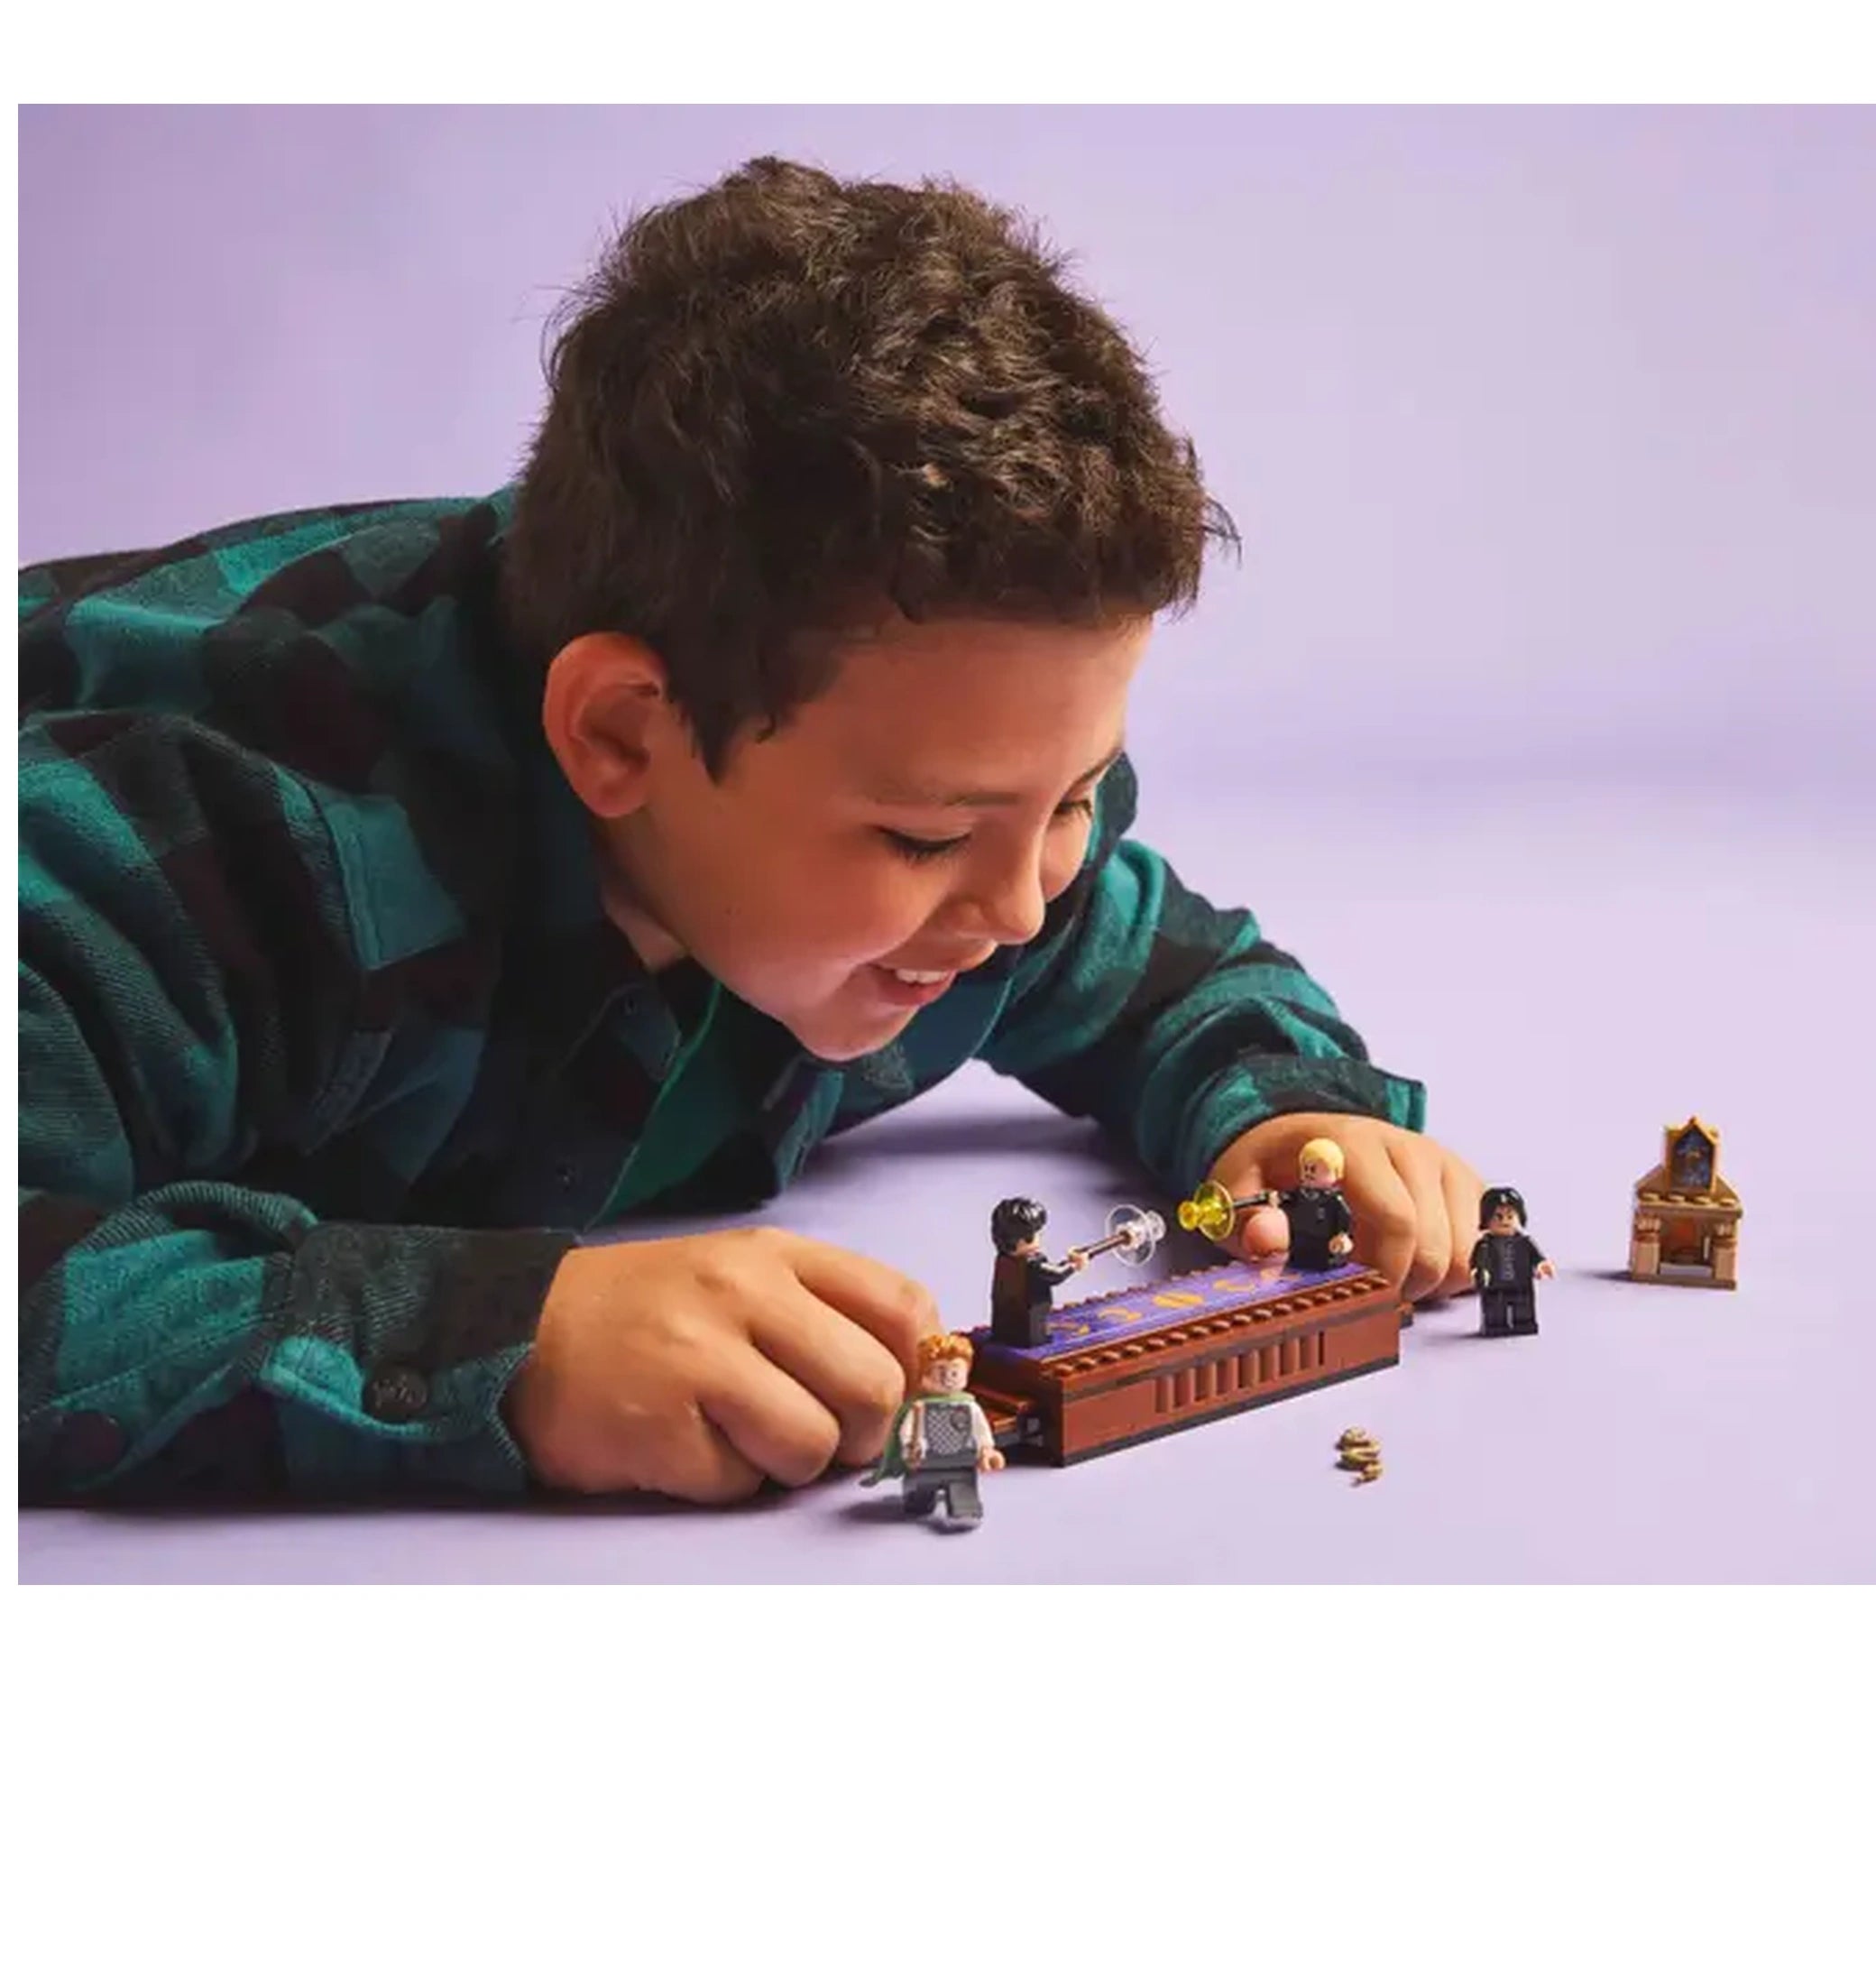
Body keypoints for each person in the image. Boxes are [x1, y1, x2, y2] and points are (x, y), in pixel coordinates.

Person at [20, 152, 1490, 1509]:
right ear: (621, 738)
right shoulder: (202, 855)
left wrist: (1295, 1121)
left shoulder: (962, 866)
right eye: (926, 837)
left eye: (1079, 795)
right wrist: (503, 1342)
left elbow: (1166, 972)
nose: (1027, 908)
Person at [860, 1334, 1002, 1528]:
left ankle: (964, 1509)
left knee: (963, 1489)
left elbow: (981, 1431)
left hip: (959, 1460)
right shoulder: (918, 1407)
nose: (947, 1379)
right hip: (925, 1461)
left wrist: (987, 1449)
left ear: (966, 1374)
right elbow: (906, 1432)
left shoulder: (969, 1406)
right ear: (924, 1375)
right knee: (920, 1496)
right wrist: (909, 1448)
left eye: (954, 1372)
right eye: (939, 1371)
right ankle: (918, 1501)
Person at [988, 1196, 1087, 1349]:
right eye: (1037, 1234)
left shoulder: (1003, 1259)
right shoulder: (1032, 1263)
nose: (1040, 1238)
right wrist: (1074, 1265)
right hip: (1029, 1325)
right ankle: (1036, 1341)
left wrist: (1068, 1262)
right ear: (1022, 1240)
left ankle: (1003, 1336)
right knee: (1034, 1329)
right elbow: (1056, 1274)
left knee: (1006, 1322)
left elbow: (1049, 1272)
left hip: (1005, 1319)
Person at [1258, 1137, 1359, 1272]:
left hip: (1324, 1253)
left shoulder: (1333, 1200)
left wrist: (1342, 1237)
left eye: (1314, 1169)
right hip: (1298, 1249)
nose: (1308, 1173)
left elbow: (1345, 1218)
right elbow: (1285, 1201)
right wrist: (1275, 1200)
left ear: (1335, 1172)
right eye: (1305, 1168)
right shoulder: (1298, 1194)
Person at [1469, 1186, 1555, 1336]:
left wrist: (1542, 1264)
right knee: (1495, 1311)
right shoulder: (1485, 1245)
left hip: (1521, 1285)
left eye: (1510, 1216)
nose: (1505, 1221)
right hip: (1494, 1287)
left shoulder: (1524, 1242)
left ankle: (1524, 1323)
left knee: (1523, 1309)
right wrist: (1479, 1271)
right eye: (1498, 1217)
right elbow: (1479, 1261)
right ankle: (1495, 1325)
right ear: (1487, 1219)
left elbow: (1535, 1256)